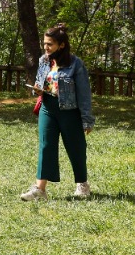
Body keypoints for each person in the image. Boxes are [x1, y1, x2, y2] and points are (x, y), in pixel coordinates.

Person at [19, 24, 95, 201]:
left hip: (70, 111)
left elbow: (84, 93)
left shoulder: (76, 64)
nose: (46, 48)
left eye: (50, 44)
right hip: (48, 108)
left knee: (76, 148)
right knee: (46, 147)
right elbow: (40, 83)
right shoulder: (44, 61)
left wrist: (87, 120)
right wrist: (36, 90)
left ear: (61, 45)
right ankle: (40, 190)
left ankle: (82, 184)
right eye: (44, 44)